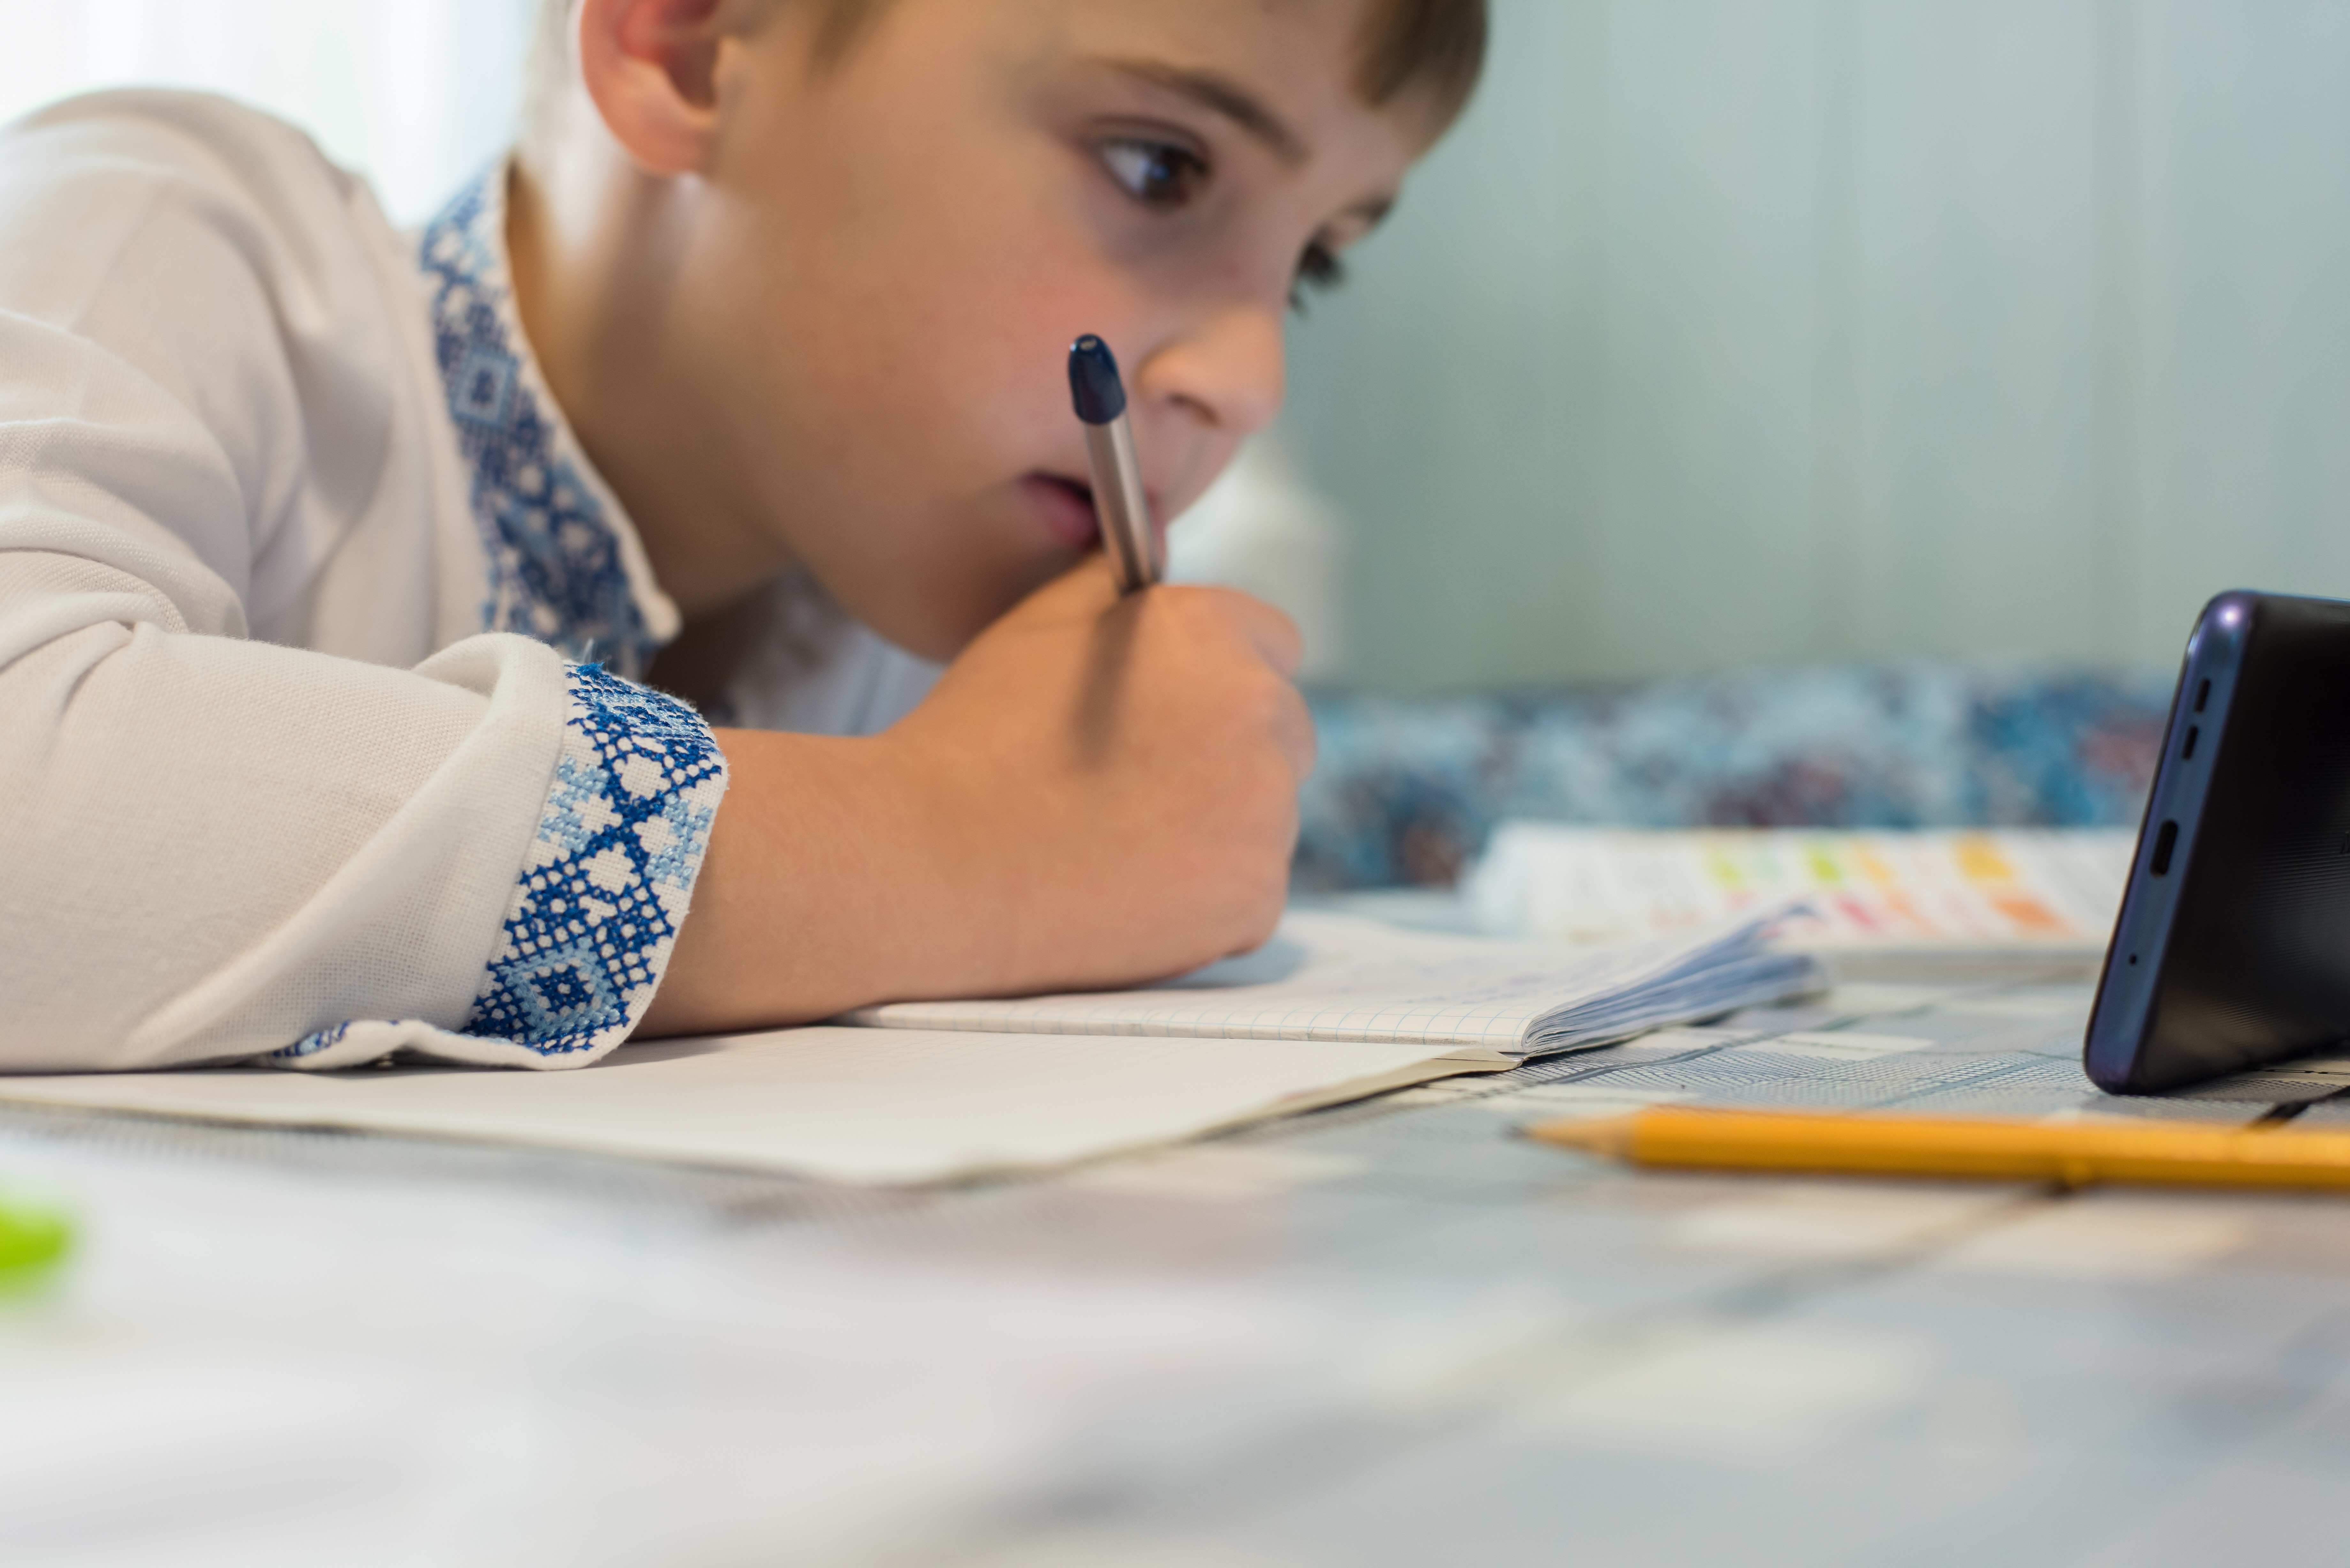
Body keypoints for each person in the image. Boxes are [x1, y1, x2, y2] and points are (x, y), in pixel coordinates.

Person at [0, 0, 1486, 1072]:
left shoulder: (904, 606)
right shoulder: (170, 235)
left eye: (1312, 270)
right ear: (690, 44)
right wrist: (973, 840)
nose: (1246, 381)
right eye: (1158, 165)